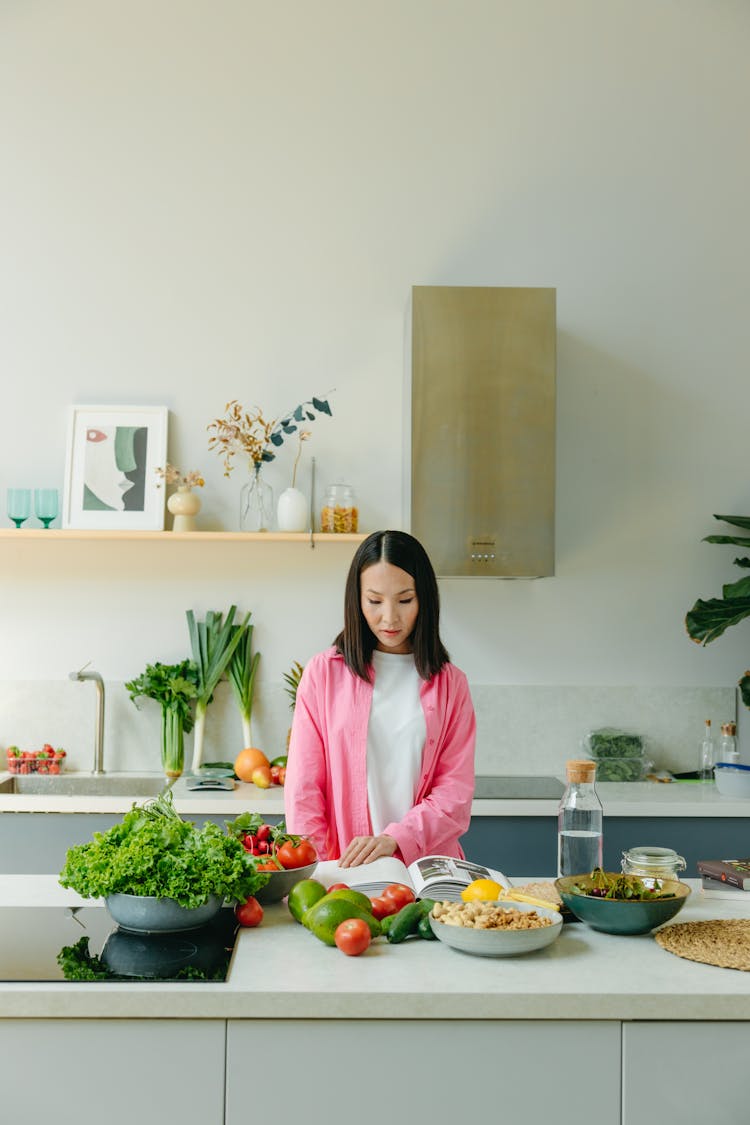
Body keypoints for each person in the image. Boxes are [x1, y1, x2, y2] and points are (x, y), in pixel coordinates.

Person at [284, 529, 476, 868]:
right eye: (374, 601)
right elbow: (304, 792)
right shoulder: (323, 674)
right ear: (356, 599)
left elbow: (454, 796)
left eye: (405, 600)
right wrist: (321, 871)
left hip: (428, 873)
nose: (389, 618)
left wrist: (396, 840)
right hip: (345, 871)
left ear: (424, 600)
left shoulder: (451, 685)